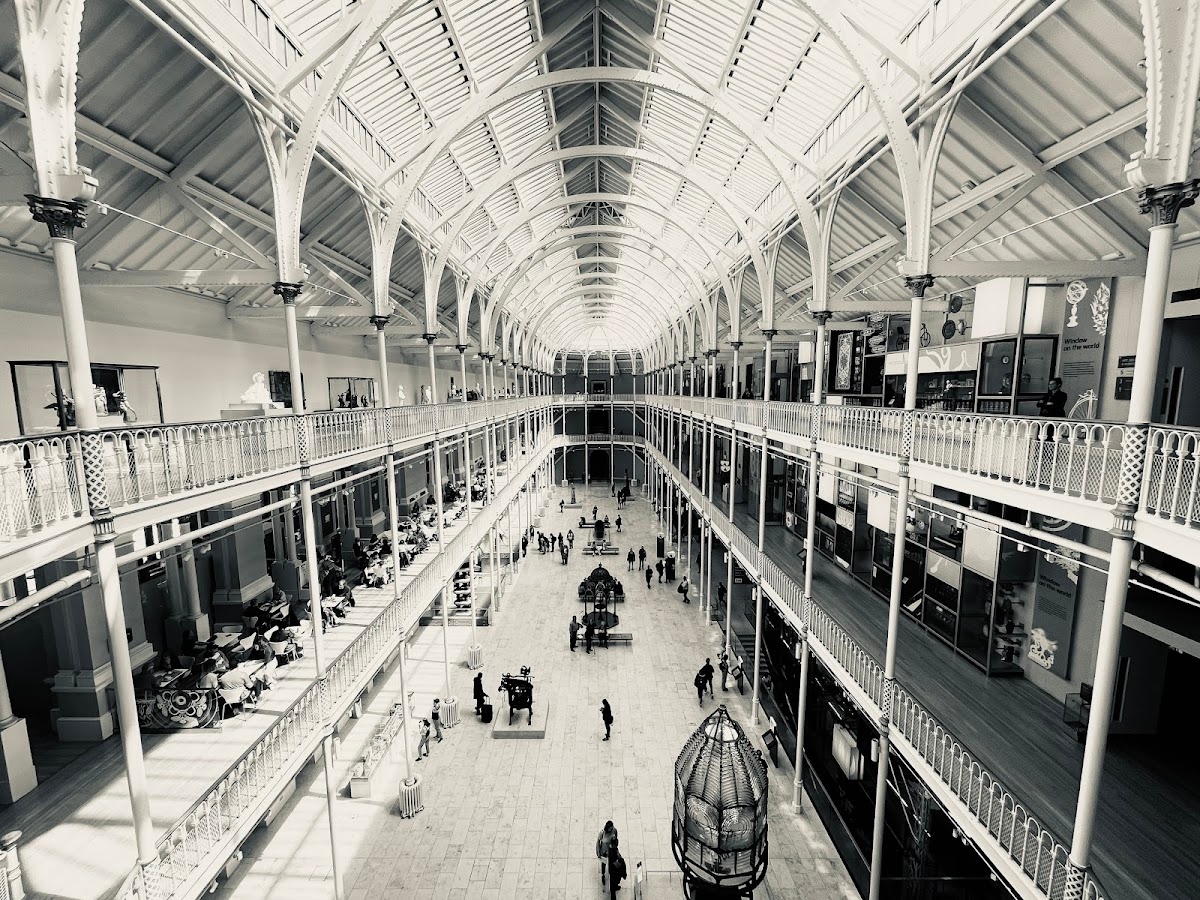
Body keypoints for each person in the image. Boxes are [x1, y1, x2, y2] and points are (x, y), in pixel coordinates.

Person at [596, 821, 618, 886]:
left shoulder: (614, 830)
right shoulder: (602, 833)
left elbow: (616, 841)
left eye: (612, 828)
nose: (611, 829)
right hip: (604, 852)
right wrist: (598, 852)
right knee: (603, 864)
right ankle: (603, 874)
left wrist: (614, 842)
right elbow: (598, 842)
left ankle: (612, 874)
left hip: (611, 851)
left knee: (612, 863)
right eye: (610, 828)